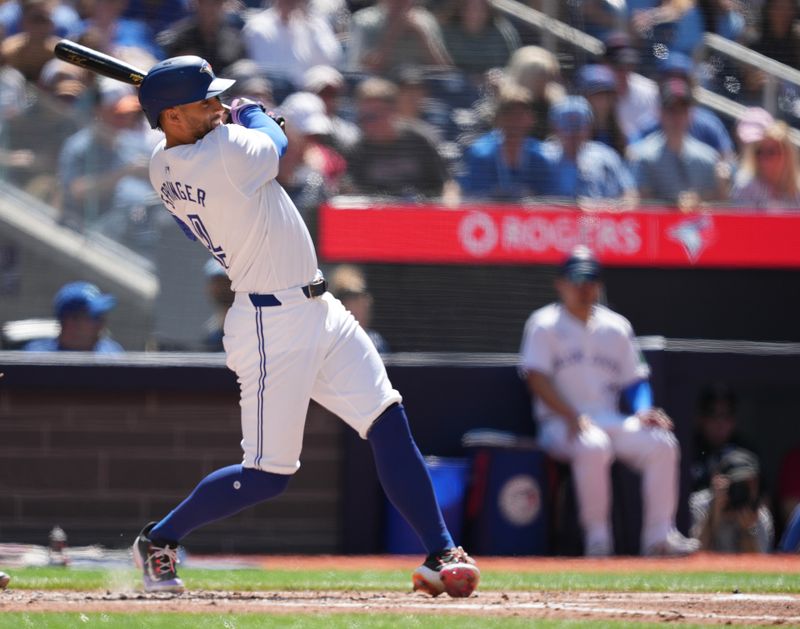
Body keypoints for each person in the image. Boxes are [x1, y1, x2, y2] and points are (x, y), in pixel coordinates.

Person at [131, 54, 479, 597]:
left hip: (319, 307)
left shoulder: (162, 161)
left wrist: (237, 116)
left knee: (386, 418)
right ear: (172, 117)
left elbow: (252, 140)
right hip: (272, 322)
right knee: (269, 474)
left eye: (221, 100)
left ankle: (440, 550)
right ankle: (159, 539)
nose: (219, 106)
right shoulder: (223, 152)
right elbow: (277, 144)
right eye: (207, 102)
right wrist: (252, 113)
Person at [519, 246, 699, 557]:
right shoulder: (544, 324)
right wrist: (570, 414)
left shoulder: (616, 326)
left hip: (608, 418)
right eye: (576, 279)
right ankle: (598, 540)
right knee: (593, 445)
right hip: (559, 424)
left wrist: (644, 410)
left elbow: (635, 381)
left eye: (591, 279)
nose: (584, 287)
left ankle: (659, 537)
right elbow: (535, 377)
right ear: (560, 283)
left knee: (662, 442)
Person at [627, 77, 728, 209]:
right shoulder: (643, 157)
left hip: (697, 228)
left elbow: (720, 208)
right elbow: (640, 206)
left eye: (683, 110)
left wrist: (702, 202)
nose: (677, 117)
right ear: (661, 113)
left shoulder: (708, 158)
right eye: (671, 110)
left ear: (690, 114)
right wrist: (675, 207)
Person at [459, 81, 554, 201]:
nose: (515, 121)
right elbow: (474, 197)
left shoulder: (540, 156)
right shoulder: (480, 153)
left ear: (531, 119)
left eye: (520, 115)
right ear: (498, 119)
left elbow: (548, 199)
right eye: (509, 114)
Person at [543, 96, 638, 209]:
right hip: (556, 224)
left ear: (589, 126)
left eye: (579, 126)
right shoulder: (543, 157)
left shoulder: (606, 156)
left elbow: (630, 196)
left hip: (601, 222)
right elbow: (529, 202)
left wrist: (606, 208)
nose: (573, 133)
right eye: (566, 125)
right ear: (555, 127)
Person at [689, 447, 774, 553]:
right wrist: (713, 515)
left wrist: (748, 531)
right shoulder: (700, 505)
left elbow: (757, 567)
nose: (743, 489)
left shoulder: (760, 516)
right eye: (738, 483)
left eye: (750, 483)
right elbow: (694, 557)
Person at [346, 0, 452, 74]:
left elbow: (445, 72)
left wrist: (421, 35)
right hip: (381, 89)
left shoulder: (426, 20)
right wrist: (394, 31)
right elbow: (364, 71)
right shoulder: (365, 21)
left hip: (420, 89)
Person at [23, 281, 124, 352]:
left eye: (102, 316)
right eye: (95, 317)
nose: (102, 323)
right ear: (71, 322)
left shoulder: (112, 354)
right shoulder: (36, 359)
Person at [689, 383, 754, 493]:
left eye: (726, 415)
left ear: (734, 420)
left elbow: (762, 500)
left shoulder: (747, 451)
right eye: (712, 414)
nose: (720, 423)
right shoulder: (688, 451)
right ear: (700, 419)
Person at [731, 120, 800, 211]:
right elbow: (743, 223)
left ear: (787, 155)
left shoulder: (797, 188)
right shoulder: (746, 186)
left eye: (771, 152)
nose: (764, 157)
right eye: (759, 152)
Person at [328, 264, 390, 354]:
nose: (364, 303)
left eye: (362, 297)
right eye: (350, 297)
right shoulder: (327, 343)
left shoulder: (376, 342)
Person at [202, 258, 234, 352]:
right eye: (216, 281)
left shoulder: (255, 327)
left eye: (226, 281)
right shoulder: (212, 330)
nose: (221, 288)